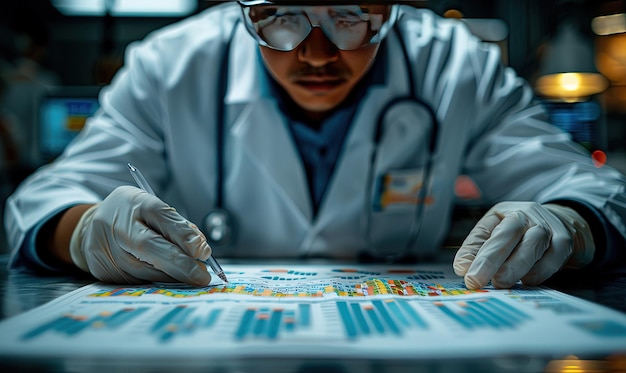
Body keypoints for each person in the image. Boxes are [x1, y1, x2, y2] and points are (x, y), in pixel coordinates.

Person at [4, 1, 626, 290]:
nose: (319, 53)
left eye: (352, 14)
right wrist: (84, 228)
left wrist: (567, 220)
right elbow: (44, 200)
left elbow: (597, 193)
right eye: (281, 16)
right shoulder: (174, 64)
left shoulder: (455, 65)